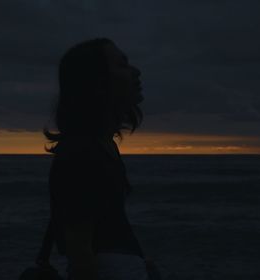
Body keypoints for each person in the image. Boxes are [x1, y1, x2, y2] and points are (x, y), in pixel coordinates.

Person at [41, 38, 161, 280]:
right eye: (121, 65)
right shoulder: (82, 152)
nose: (135, 72)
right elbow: (80, 252)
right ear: (96, 83)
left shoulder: (101, 146)